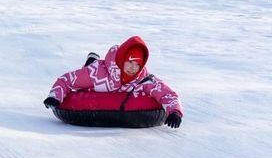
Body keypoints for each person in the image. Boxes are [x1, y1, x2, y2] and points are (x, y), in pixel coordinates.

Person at [44, 35, 184, 129]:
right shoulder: (97, 74)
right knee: (87, 70)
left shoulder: (142, 78)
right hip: (98, 71)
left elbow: (166, 93)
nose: (133, 68)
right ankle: (92, 60)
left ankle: (92, 59)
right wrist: (55, 96)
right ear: (122, 59)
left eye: (137, 65)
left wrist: (175, 112)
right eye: (130, 62)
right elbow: (68, 80)